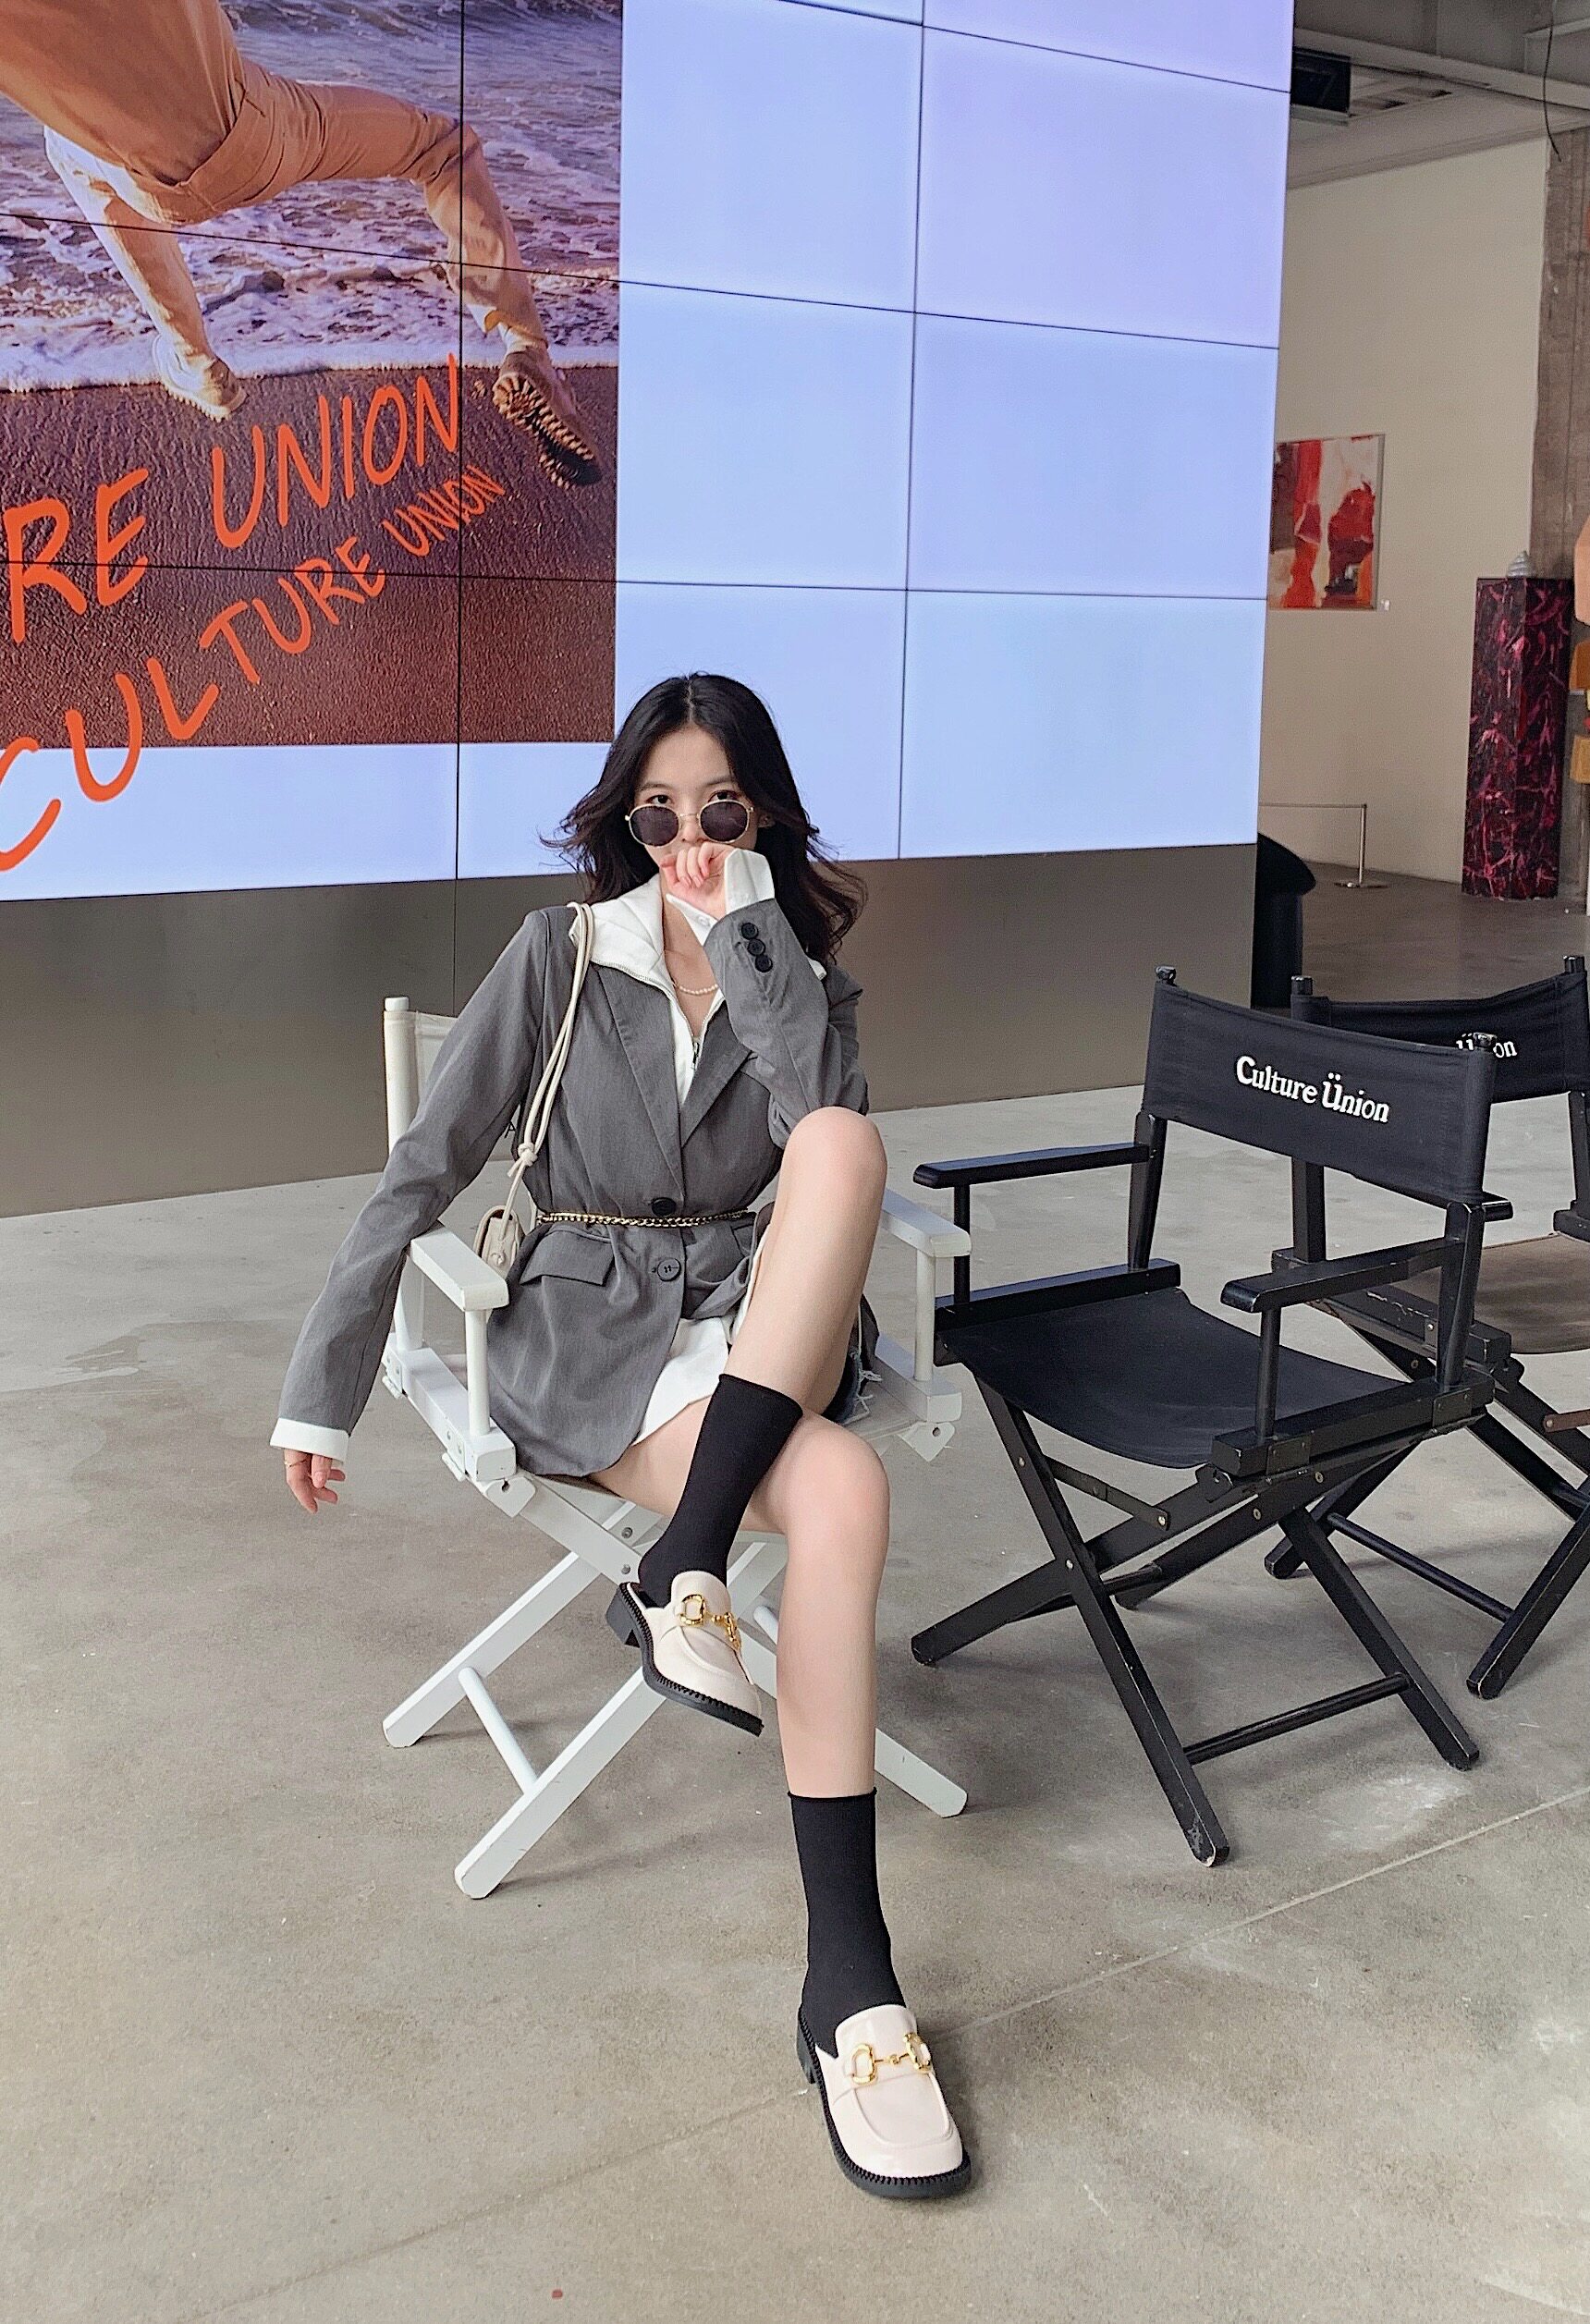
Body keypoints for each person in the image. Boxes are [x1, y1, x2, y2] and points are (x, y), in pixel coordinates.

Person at [270, 673, 971, 2198]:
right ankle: (849, 1969)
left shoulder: (798, 971)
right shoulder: (558, 955)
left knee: (842, 1146)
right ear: (624, 822)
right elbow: (421, 1169)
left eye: (722, 810)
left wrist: (748, 934)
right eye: (659, 816)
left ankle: (838, 1962)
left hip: (755, 1326)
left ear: (764, 818)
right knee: (843, 1483)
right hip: (591, 1339)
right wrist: (325, 1377)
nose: (688, 840)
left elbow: (816, 1119)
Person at [0, 0, 601, 486]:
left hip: (145, 186)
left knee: (67, 149)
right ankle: (524, 343)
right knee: (442, 149)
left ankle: (195, 361)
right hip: (258, 131)